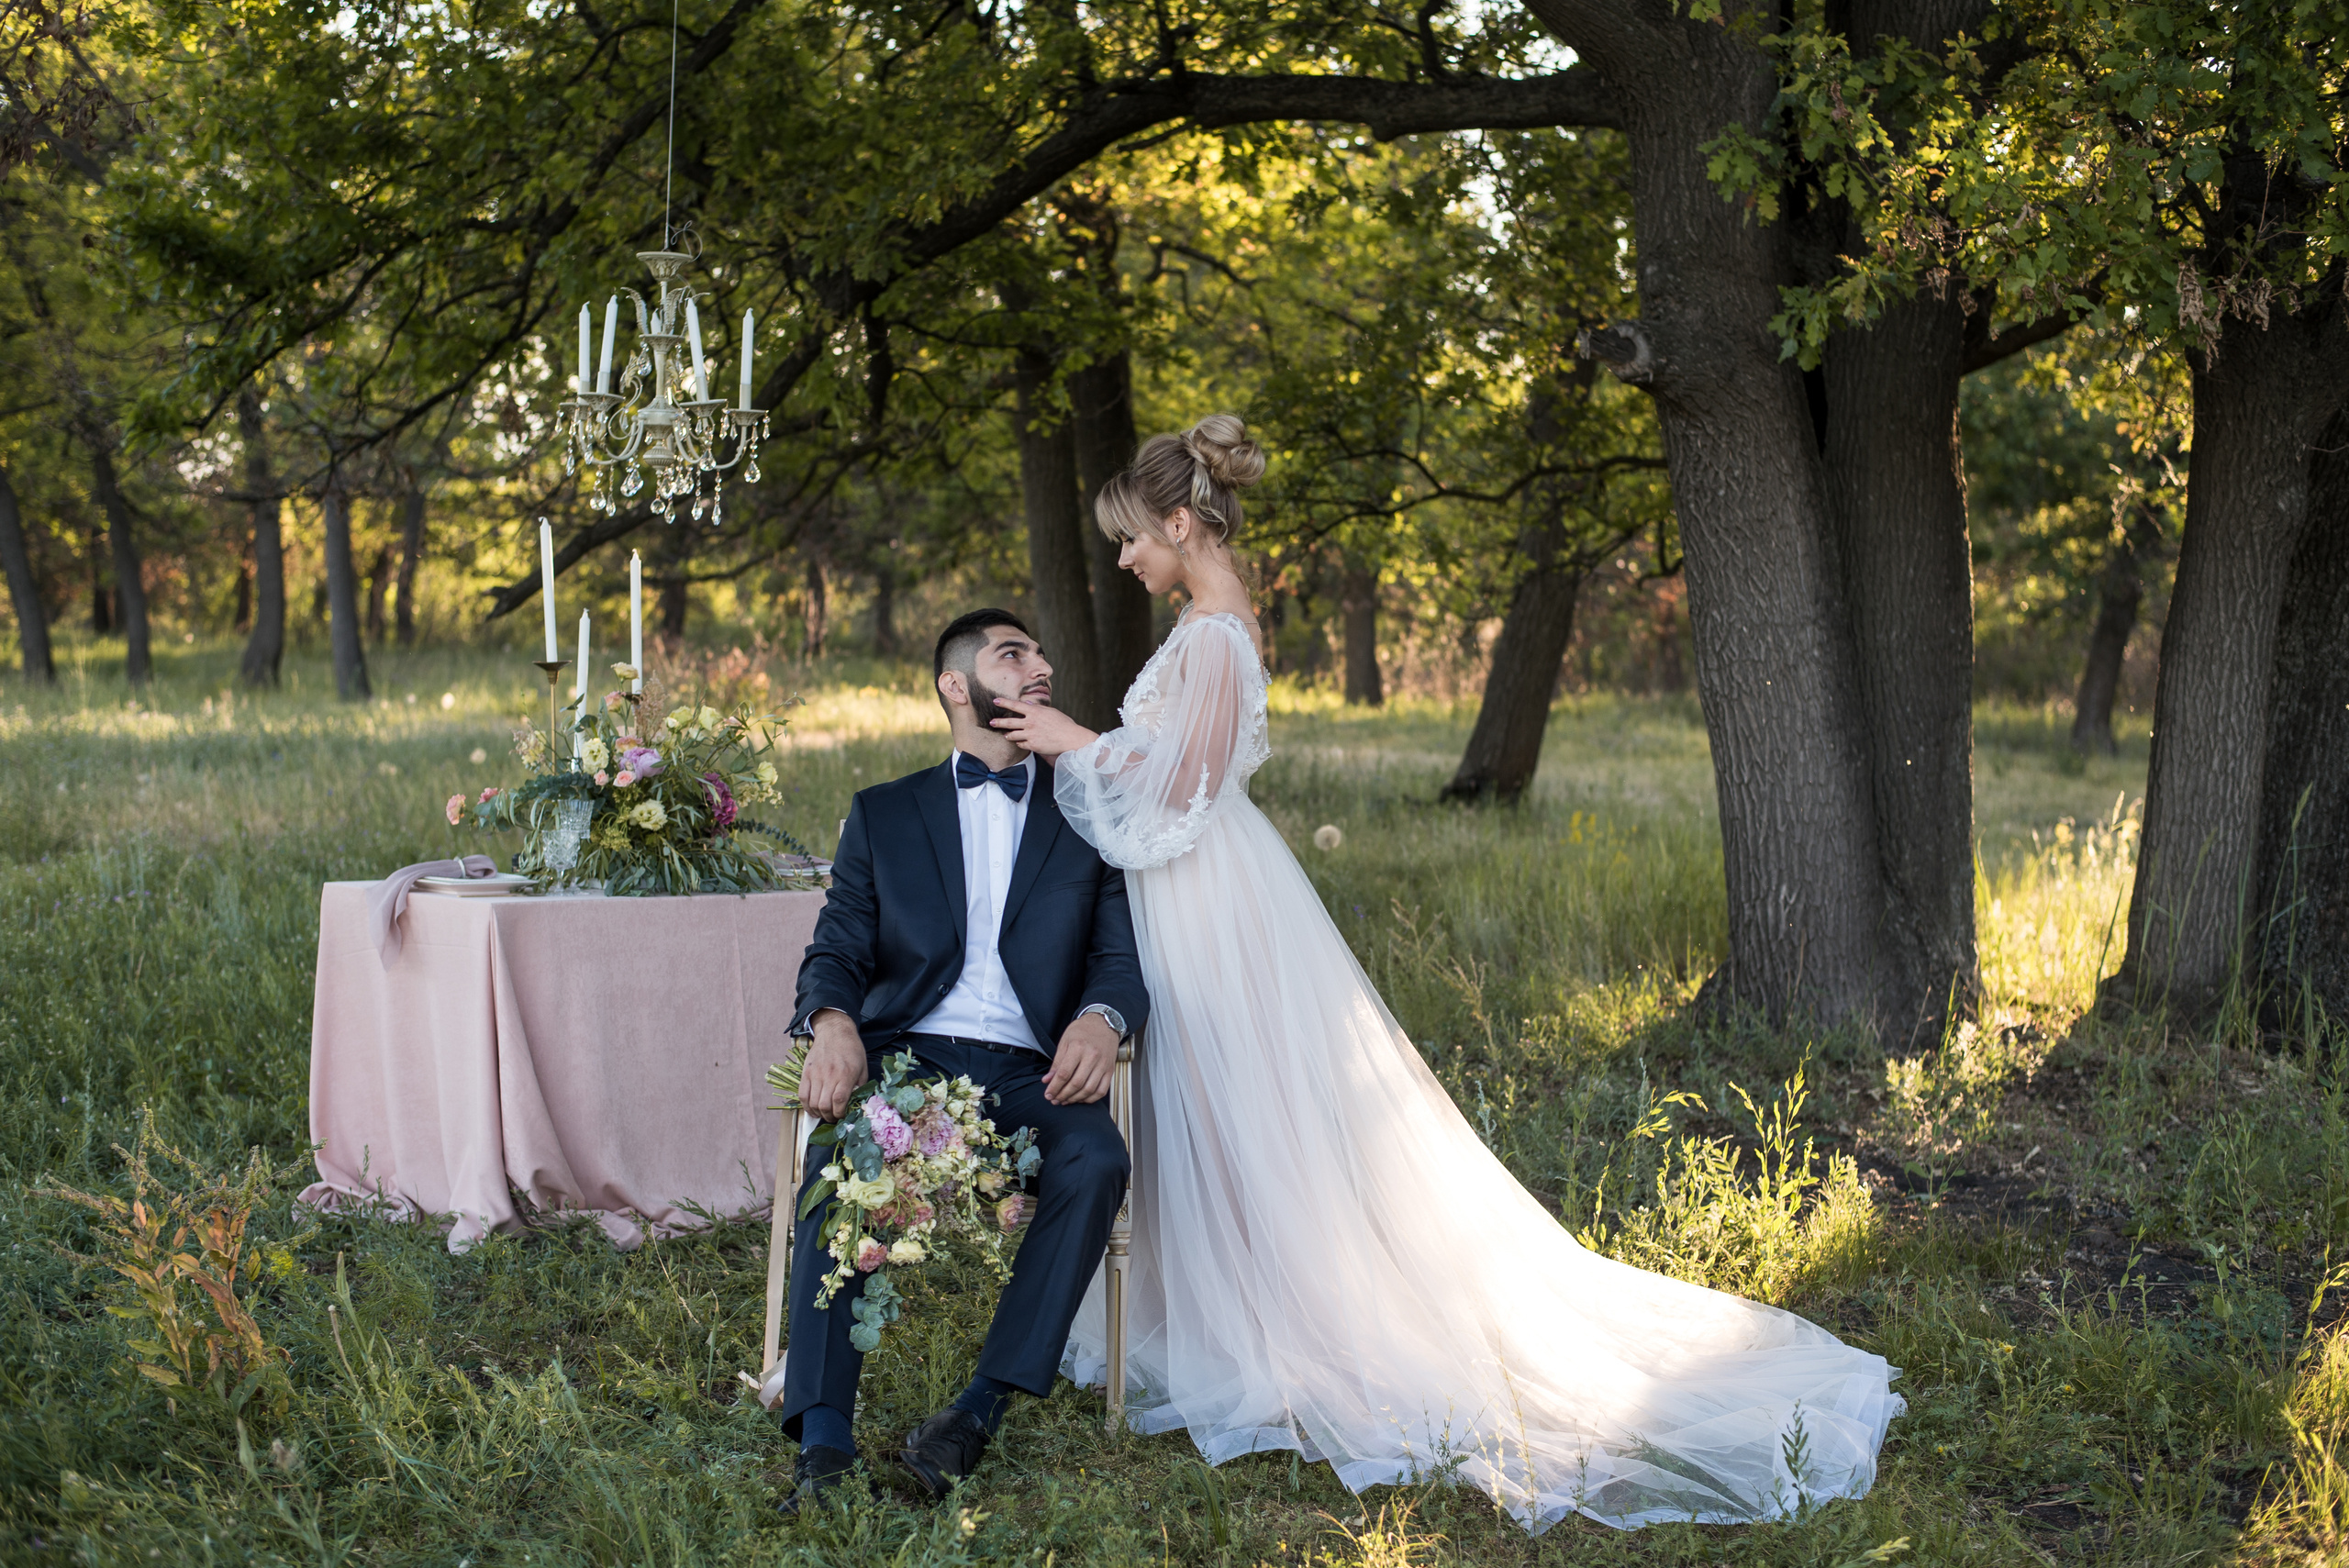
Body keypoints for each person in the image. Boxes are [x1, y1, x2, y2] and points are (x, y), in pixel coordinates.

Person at [988, 415, 1905, 1533]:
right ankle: (1207, 1299)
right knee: (1210, 1097)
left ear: (1180, 523)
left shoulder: (1217, 634)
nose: (1126, 557)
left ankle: (1283, 1317)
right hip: (1190, 881)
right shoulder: (1201, 623)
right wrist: (1087, 745)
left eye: (1133, 537)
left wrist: (1074, 739)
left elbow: (1186, 784)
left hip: (1210, 889)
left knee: (1245, 1099)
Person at [775, 608, 1149, 1515]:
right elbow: (837, 947)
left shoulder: (1084, 815)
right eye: (1013, 653)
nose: (1040, 665)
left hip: (1030, 1069)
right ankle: (823, 1445)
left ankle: (976, 1411)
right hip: (910, 1061)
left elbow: (1119, 956)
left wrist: (1101, 1019)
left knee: (1096, 1155)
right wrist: (832, 1021)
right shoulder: (884, 812)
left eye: (1043, 651)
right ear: (956, 684)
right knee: (842, 1152)